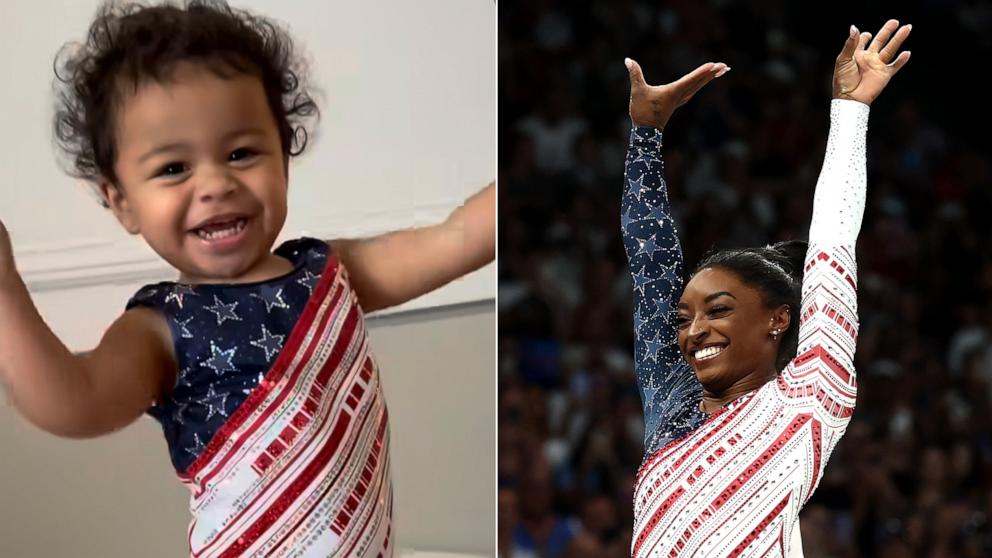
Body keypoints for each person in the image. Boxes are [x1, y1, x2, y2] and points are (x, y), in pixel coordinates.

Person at [0, 2, 494, 556]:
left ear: (283, 158)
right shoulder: (160, 329)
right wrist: (4, 289)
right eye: (172, 168)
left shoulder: (330, 273)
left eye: (240, 153)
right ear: (122, 203)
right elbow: (74, 402)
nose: (215, 182)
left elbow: (457, 239)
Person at [620, 19, 911, 557]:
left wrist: (850, 111)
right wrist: (645, 136)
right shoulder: (673, 402)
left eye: (719, 310)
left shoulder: (807, 398)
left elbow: (832, 242)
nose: (694, 331)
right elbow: (650, 269)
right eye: (684, 319)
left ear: (778, 319)